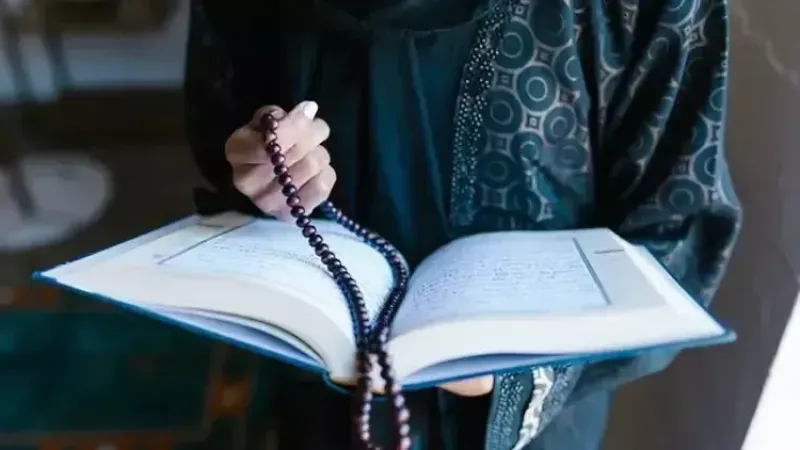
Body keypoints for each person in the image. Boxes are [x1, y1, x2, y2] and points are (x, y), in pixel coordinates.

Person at [0, 0, 740, 450]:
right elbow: (220, 124)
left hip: (534, 424)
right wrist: (260, 170)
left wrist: (523, 371)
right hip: (319, 376)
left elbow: (679, 230)